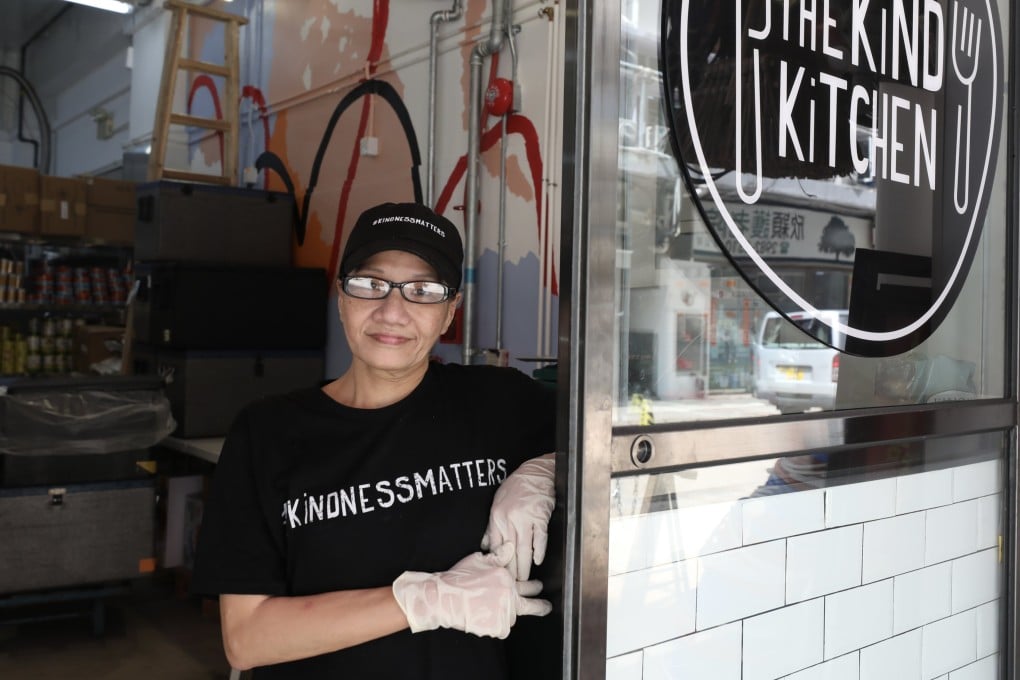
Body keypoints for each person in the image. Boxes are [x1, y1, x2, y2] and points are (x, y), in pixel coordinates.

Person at [190, 202, 558, 678]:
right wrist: (426, 600)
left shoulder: (498, 400)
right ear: (341, 297)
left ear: (450, 311)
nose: (393, 311)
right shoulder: (267, 434)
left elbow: (616, 440)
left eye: (423, 291)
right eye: (371, 284)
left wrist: (546, 469)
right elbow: (246, 639)